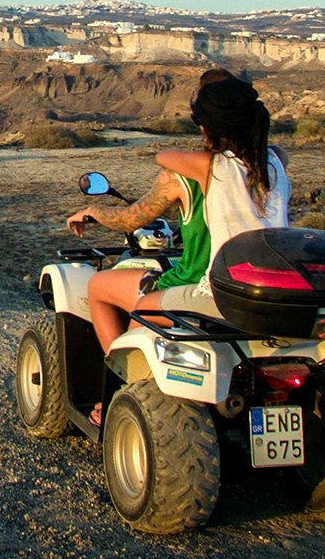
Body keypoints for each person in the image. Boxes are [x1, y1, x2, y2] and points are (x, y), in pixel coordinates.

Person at [67, 68, 291, 363]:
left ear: (205, 126)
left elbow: (134, 212)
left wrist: (93, 210)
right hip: (272, 292)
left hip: (215, 290)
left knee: (108, 291)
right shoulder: (276, 162)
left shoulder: (203, 168)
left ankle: (122, 384)